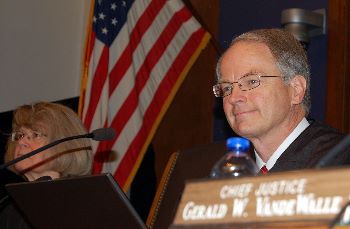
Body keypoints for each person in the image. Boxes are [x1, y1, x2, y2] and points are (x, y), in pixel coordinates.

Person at [214, 28, 350, 173]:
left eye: (252, 82)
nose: (234, 98)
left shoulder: (340, 163)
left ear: (296, 90)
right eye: (227, 88)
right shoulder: (225, 171)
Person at [0, 102, 93, 228]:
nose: (21, 142)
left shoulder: (86, 204)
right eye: (20, 135)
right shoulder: (10, 209)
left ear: (63, 144)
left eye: (36, 135)